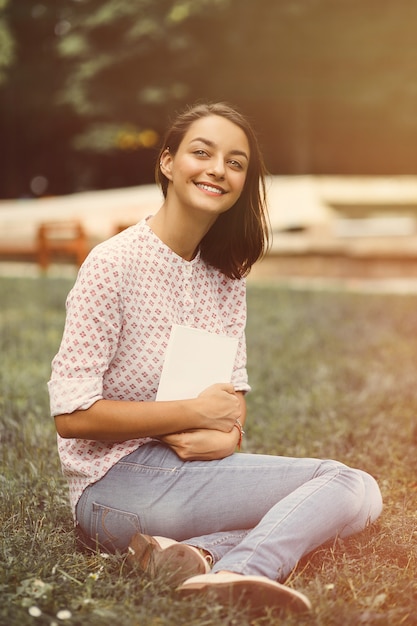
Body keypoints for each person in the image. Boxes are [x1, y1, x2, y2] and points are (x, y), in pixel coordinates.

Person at [48, 102, 383, 617]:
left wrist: (228, 434)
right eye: (201, 153)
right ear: (167, 162)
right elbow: (72, 417)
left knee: (360, 493)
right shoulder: (112, 263)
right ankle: (246, 568)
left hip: (188, 471)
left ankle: (197, 557)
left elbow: (231, 404)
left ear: (245, 181)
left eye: (235, 162)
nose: (217, 170)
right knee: (341, 484)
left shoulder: (228, 275)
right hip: (109, 488)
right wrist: (191, 415)